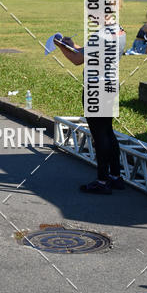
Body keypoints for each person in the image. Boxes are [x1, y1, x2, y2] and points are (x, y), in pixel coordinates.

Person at [54, 11, 126, 195]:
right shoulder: (119, 30)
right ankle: (116, 176)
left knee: (99, 134)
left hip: (96, 87)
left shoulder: (100, 35)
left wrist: (60, 46)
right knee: (108, 131)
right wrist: (71, 45)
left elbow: (77, 60)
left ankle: (102, 181)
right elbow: (87, 51)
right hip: (110, 84)